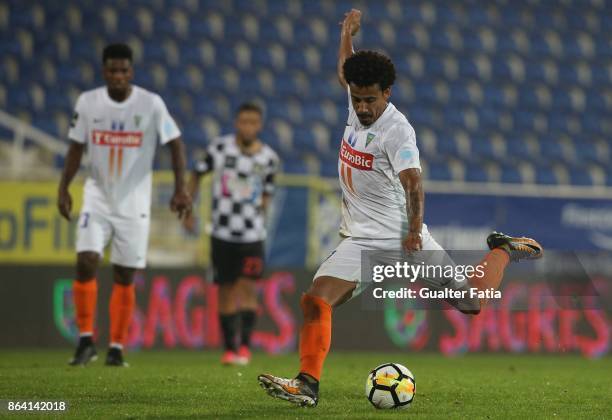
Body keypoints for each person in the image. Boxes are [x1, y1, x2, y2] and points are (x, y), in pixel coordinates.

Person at [257, 9, 542, 407]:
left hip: (401, 241)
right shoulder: (356, 103)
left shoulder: (397, 130)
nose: (362, 107)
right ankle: (307, 384)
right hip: (361, 242)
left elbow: (413, 182)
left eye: (370, 99)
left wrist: (413, 230)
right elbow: (345, 70)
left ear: (387, 93)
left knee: (471, 303)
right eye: (357, 99)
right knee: (315, 299)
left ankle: (502, 249)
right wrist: (346, 34)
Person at [57, 43, 192, 367]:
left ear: (131, 72)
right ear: (104, 72)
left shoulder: (150, 104)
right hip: (97, 197)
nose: (118, 76)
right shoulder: (88, 103)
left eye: (123, 71)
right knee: (86, 260)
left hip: (135, 202)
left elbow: (175, 144)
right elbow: (75, 148)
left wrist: (180, 190)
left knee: (124, 273)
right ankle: (86, 341)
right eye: (112, 70)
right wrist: (64, 188)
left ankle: (116, 347)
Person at [184, 103, 279, 365]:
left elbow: (268, 192)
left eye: (253, 122)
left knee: (249, 288)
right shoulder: (219, 148)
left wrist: (262, 209)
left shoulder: (268, 158)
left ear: (259, 126)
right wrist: (188, 209)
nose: (248, 126)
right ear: (237, 123)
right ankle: (229, 349)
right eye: (243, 121)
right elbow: (196, 174)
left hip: (252, 235)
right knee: (225, 289)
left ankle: (245, 348)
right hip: (222, 232)